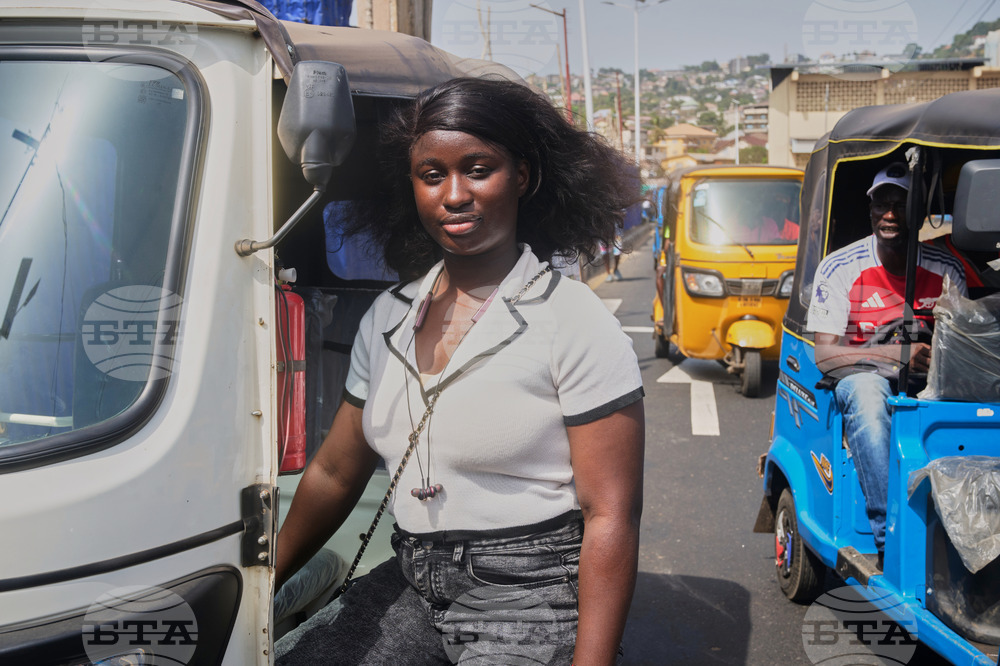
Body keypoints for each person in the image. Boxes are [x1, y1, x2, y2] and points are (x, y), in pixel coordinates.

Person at [274, 77, 645, 665]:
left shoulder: (573, 320)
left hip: (531, 592)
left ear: (521, 176)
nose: (454, 194)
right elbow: (334, 473)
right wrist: (262, 581)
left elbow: (612, 515)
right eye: (432, 175)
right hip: (411, 578)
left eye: (477, 168)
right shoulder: (387, 319)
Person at [806, 162, 966, 566]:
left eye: (900, 204)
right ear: (871, 211)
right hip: (864, 381)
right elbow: (824, 355)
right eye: (881, 204)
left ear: (920, 213)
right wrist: (897, 356)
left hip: (933, 381)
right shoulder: (842, 268)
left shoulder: (946, 271)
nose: (889, 214)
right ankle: (892, 538)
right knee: (867, 394)